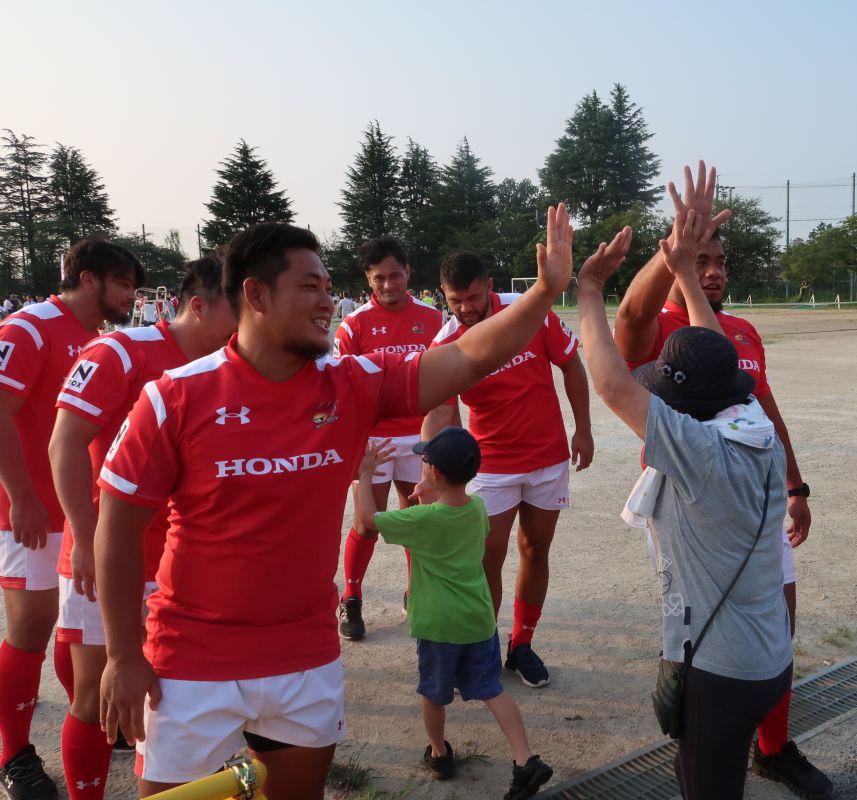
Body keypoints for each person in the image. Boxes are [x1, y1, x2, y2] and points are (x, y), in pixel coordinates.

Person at [94, 208, 576, 799]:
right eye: (309, 286)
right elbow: (116, 527)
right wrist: (122, 654)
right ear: (255, 294)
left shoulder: (349, 383)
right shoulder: (174, 397)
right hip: (190, 661)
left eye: (329, 287)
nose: (329, 301)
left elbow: (467, 358)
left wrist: (546, 292)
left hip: (304, 656)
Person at [614, 162, 829, 797]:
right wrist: (669, 259)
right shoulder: (664, 330)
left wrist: (796, 484)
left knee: (777, 615)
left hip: (756, 496)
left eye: (719, 260)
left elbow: (766, 409)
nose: (712, 270)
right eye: (701, 260)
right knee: (705, 637)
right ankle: (704, 745)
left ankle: (773, 747)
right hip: (693, 505)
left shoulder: (739, 331)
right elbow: (626, 320)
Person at [575, 215, 795, 800]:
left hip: (723, 670)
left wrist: (590, 289)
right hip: (769, 654)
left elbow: (610, 380)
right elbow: (716, 355)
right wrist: (684, 276)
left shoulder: (700, 453)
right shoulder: (753, 426)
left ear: (686, 408)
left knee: (708, 786)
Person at [49, 256, 237, 800]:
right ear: (198, 306)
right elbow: (63, 444)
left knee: (179, 698)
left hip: (187, 562)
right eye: (237, 311)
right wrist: (84, 536)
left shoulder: (230, 367)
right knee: (97, 696)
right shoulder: (119, 352)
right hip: (113, 556)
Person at [0, 237, 142, 800]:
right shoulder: (30, 328)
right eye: (124, 285)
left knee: (78, 624)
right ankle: (13, 752)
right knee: (31, 626)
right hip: (28, 511)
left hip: (76, 510)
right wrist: (21, 497)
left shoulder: (95, 340)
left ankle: (95, 720)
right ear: (90, 279)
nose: (132, 297)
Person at [423, 250, 593, 688]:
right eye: (454, 300)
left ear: (489, 285)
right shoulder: (445, 343)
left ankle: (522, 644)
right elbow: (441, 411)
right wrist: (434, 471)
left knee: (536, 550)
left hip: (547, 458)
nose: (465, 308)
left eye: (473, 297)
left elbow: (572, 363)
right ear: (444, 295)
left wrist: (584, 429)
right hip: (490, 466)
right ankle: (485, 647)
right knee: (485, 559)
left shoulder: (528, 312)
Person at [354, 429, 554, 799]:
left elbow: (367, 519)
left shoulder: (423, 520)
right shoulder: (477, 506)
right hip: (477, 617)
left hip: (439, 624)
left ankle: (439, 752)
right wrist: (429, 494)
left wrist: (364, 476)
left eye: (424, 462)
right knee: (492, 690)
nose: (421, 464)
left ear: (436, 473)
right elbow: (450, 512)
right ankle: (526, 760)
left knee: (434, 693)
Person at [334, 238, 443, 640]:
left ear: (408, 272)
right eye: (379, 277)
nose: (388, 284)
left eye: (395, 275)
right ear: (368, 278)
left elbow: (446, 378)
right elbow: (341, 389)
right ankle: (352, 596)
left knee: (416, 519)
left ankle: (416, 592)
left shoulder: (433, 319)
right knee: (368, 525)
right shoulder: (354, 325)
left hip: (419, 438)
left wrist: (442, 437)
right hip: (373, 441)